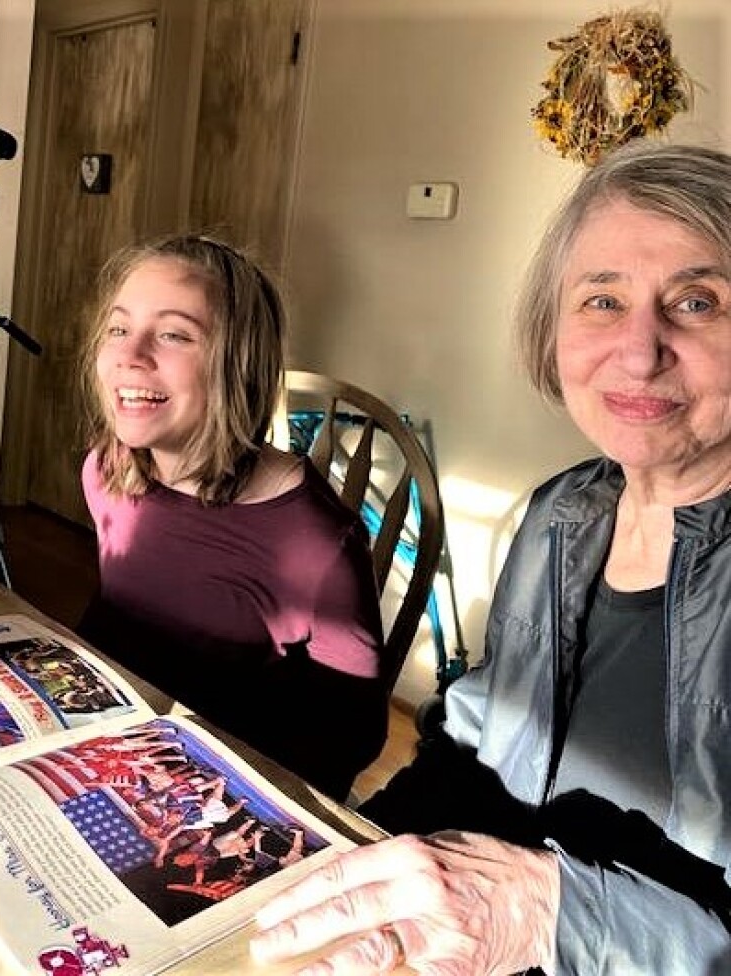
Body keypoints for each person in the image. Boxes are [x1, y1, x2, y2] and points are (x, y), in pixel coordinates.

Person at [249, 140, 731, 975]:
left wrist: (548, 914)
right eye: (602, 300)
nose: (639, 348)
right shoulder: (562, 514)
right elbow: (473, 744)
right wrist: (345, 853)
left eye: (697, 301)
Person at [76, 235, 387, 801]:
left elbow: (351, 737)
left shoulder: (312, 542)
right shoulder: (107, 470)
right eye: (119, 328)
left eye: (173, 334)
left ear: (237, 365)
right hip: (109, 749)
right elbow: (121, 622)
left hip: (215, 790)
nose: (130, 353)